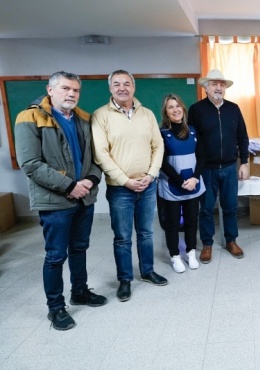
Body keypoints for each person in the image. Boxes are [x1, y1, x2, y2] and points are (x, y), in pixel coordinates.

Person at [14, 71, 107, 330]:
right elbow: (30, 164)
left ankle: (80, 291)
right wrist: (69, 186)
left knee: (79, 248)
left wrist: (90, 180)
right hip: (55, 202)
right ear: (50, 89)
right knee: (55, 256)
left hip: (84, 198)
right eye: (65, 88)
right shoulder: (30, 117)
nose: (71, 94)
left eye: (76, 90)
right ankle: (55, 307)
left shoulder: (84, 119)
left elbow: (95, 159)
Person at [91, 69, 167, 302]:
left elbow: (158, 146)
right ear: (110, 88)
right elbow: (100, 153)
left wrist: (152, 174)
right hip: (120, 188)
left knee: (146, 232)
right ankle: (125, 280)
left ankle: (147, 271)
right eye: (117, 84)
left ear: (134, 87)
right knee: (122, 237)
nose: (122, 87)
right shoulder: (100, 115)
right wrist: (126, 181)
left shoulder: (147, 114)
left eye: (127, 83)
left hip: (147, 185)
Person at [188, 69, 250, 263]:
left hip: (230, 167)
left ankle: (231, 240)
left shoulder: (234, 108)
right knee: (206, 209)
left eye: (222, 84)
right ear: (206, 87)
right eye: (214, 84)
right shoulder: (196, 110)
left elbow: (243, 137)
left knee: (230, 207)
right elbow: (192, 140)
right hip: (206, 169)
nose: (218, 87)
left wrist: (245, 162)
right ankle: (207, 244)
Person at [157, 93, 206, 273]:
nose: (175, 110)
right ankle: (175, 255)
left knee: (192, 220)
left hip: (193, 184)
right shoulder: (161, 133)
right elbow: (162, 162)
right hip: (172, 185)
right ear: (166, 112)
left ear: (183, 109)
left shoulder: (193, 131)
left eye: (177, 106)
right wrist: (181, 181)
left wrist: (194, 178)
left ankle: (191, 252)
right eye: (171, 107)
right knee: (172, 223)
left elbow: (202, 157)